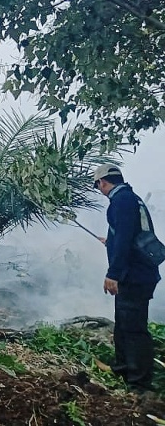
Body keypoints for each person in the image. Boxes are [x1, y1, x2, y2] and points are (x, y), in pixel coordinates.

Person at [93, 163, 161, 393]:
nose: (99, 189)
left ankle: (140, 383)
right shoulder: (130, 198)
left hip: (134, 276)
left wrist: (113, 274)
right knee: (123, 323)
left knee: (134, 328)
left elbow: (124, 238)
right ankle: (123, 367)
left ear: (103, 182)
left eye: (98, 185)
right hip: (138, 273)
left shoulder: (121, 202)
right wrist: (110, 241)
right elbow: (127, 234)